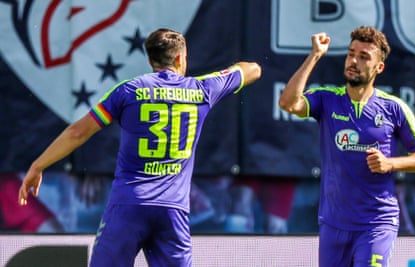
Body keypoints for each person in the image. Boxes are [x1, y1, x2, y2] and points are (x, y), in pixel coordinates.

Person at [18, 28, 261, 267]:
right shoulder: (202, 90)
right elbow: (253, 69)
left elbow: (77, 132)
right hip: (172, 211)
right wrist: (211, 80)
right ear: (179, 58)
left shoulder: (128, 90)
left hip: (128, 205)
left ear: (149, 59)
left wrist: (38, 166)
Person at [279, 26, 415, 267]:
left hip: (376, 223)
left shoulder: (393, 108)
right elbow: (288, 103)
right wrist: (315, 55)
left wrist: (390, 164)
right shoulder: (327, 99)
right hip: (334, 224)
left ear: (379, 67)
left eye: (364, 57)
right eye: (351, 53)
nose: (354, 61)